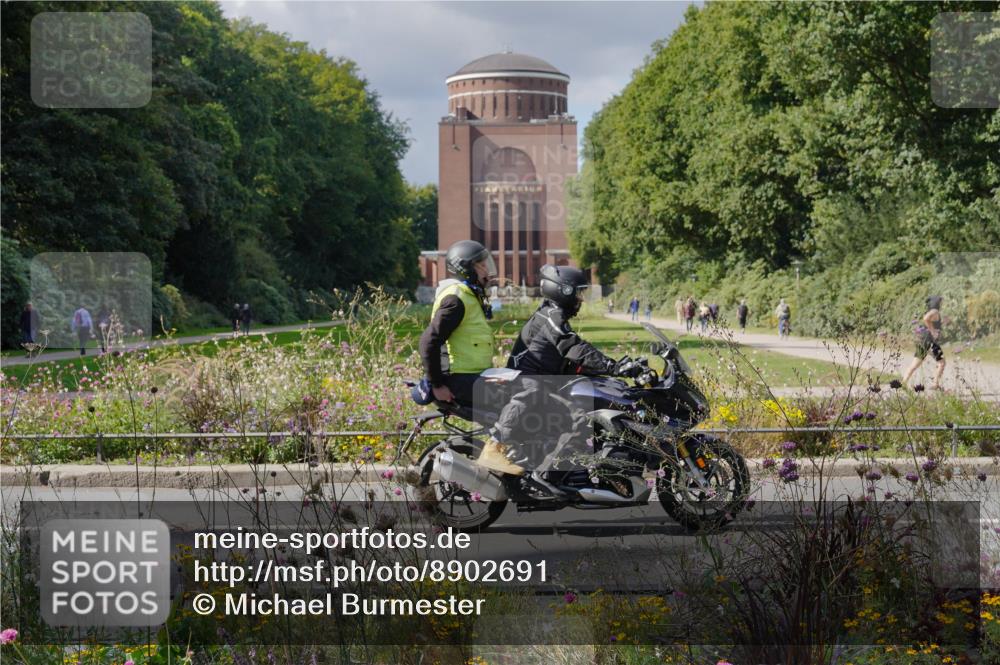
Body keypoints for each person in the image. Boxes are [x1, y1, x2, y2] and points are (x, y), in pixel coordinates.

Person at [477, 264, 639, 495]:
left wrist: (608, 370)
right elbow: (573, 346)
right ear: (562, 291)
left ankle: (561, 473)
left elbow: (567, 357)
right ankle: (548, 477)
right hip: (528, 385)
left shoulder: (551, 314)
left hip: (541, 384)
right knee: (575, 419)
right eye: (578, 293)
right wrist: (614, 366)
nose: (581, 299)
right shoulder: (551, 316)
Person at [418, 240, 497, 408]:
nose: (487, 271)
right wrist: (437, 385)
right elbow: (428, 342)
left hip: (475, 377)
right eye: (482, 266)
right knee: (525, 396)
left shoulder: (469, 295)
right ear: (466, 269)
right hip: (460, 379)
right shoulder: (456, 299)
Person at [902, 296, 946, 390]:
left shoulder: (933, 311)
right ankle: (935, 384)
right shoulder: (935, 311)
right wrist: (933, 330)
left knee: (914, 365)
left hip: (924, 340)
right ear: (937, 302)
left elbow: (929, 320)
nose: (942, 304)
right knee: (942, 362)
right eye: (941, 302)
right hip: (930, 342)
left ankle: (903, 383)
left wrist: (940, 325)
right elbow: (925, 318)